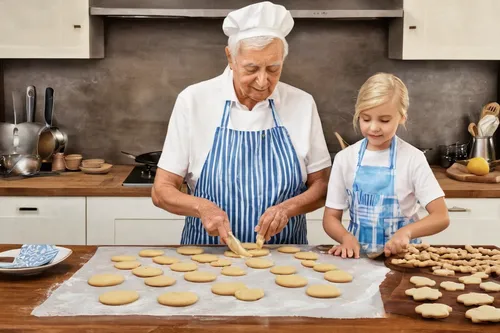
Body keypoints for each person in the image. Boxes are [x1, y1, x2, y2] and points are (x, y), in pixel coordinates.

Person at [152, 1, 331, 245]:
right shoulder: (193, 101)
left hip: (285, 259)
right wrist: (202, 207)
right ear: (230, 57)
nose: (262, 81)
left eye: (273, 69)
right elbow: (161, 191)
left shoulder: (302, 104)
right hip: (206, 258)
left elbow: (322, 184)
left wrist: (287, 209)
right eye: (251, 68)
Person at [323, 73, 450, 258]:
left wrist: (407, 232)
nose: (373, 127)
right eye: (366, 119)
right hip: (358, 258)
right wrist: (345, 237)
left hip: (405, 259)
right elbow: (330, 218)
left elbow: (441, 216)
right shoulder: (345, 159)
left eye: (384, 120)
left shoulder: (412, 159)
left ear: (402, 118)